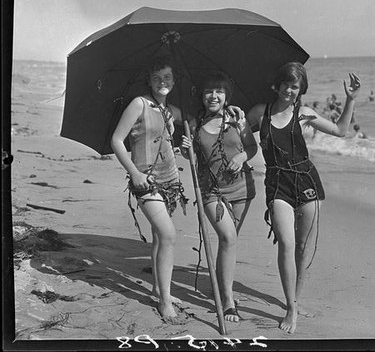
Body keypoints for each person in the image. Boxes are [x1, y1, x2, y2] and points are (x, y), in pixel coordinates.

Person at [247, 62, 360, 334]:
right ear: (277, 84)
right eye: (286, 84)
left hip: (307, 182)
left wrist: (350, 99)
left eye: (295, 86)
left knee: (303, 247)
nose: (289, 90)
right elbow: (241, 138)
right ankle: (291, 307)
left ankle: (294, 301)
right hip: (277, 184)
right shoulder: (260, 113)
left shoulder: (304, 114)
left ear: (301, 89)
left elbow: (340, 131)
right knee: (286, 242)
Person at [111, 56, 188, 323]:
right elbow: (117, 140)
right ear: (149, 81)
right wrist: (134, 172)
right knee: (168, 235)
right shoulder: (139, 104)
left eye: (167, 77)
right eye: (157, 78)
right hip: (146, 181)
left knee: (158, 236)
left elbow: (169, 139)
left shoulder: (170, 111)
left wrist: (182, 146)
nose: (162, 82)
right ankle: (165, 300)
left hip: (170, 180)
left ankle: (157, 288)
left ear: (174, 81)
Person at [181, 71, 257, 323]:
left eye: (219, 91)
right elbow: (192, 162)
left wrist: (241, 157)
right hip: (211, 191)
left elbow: (252, 148)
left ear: (227, 95)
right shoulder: (194, 123)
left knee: (228, 242)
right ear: (201, 96)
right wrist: (185, 151)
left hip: (242, 189)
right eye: (208, 91)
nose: (214, 96)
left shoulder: (237, 118)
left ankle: (219, 285)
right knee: (228, 237)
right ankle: (227, 301)